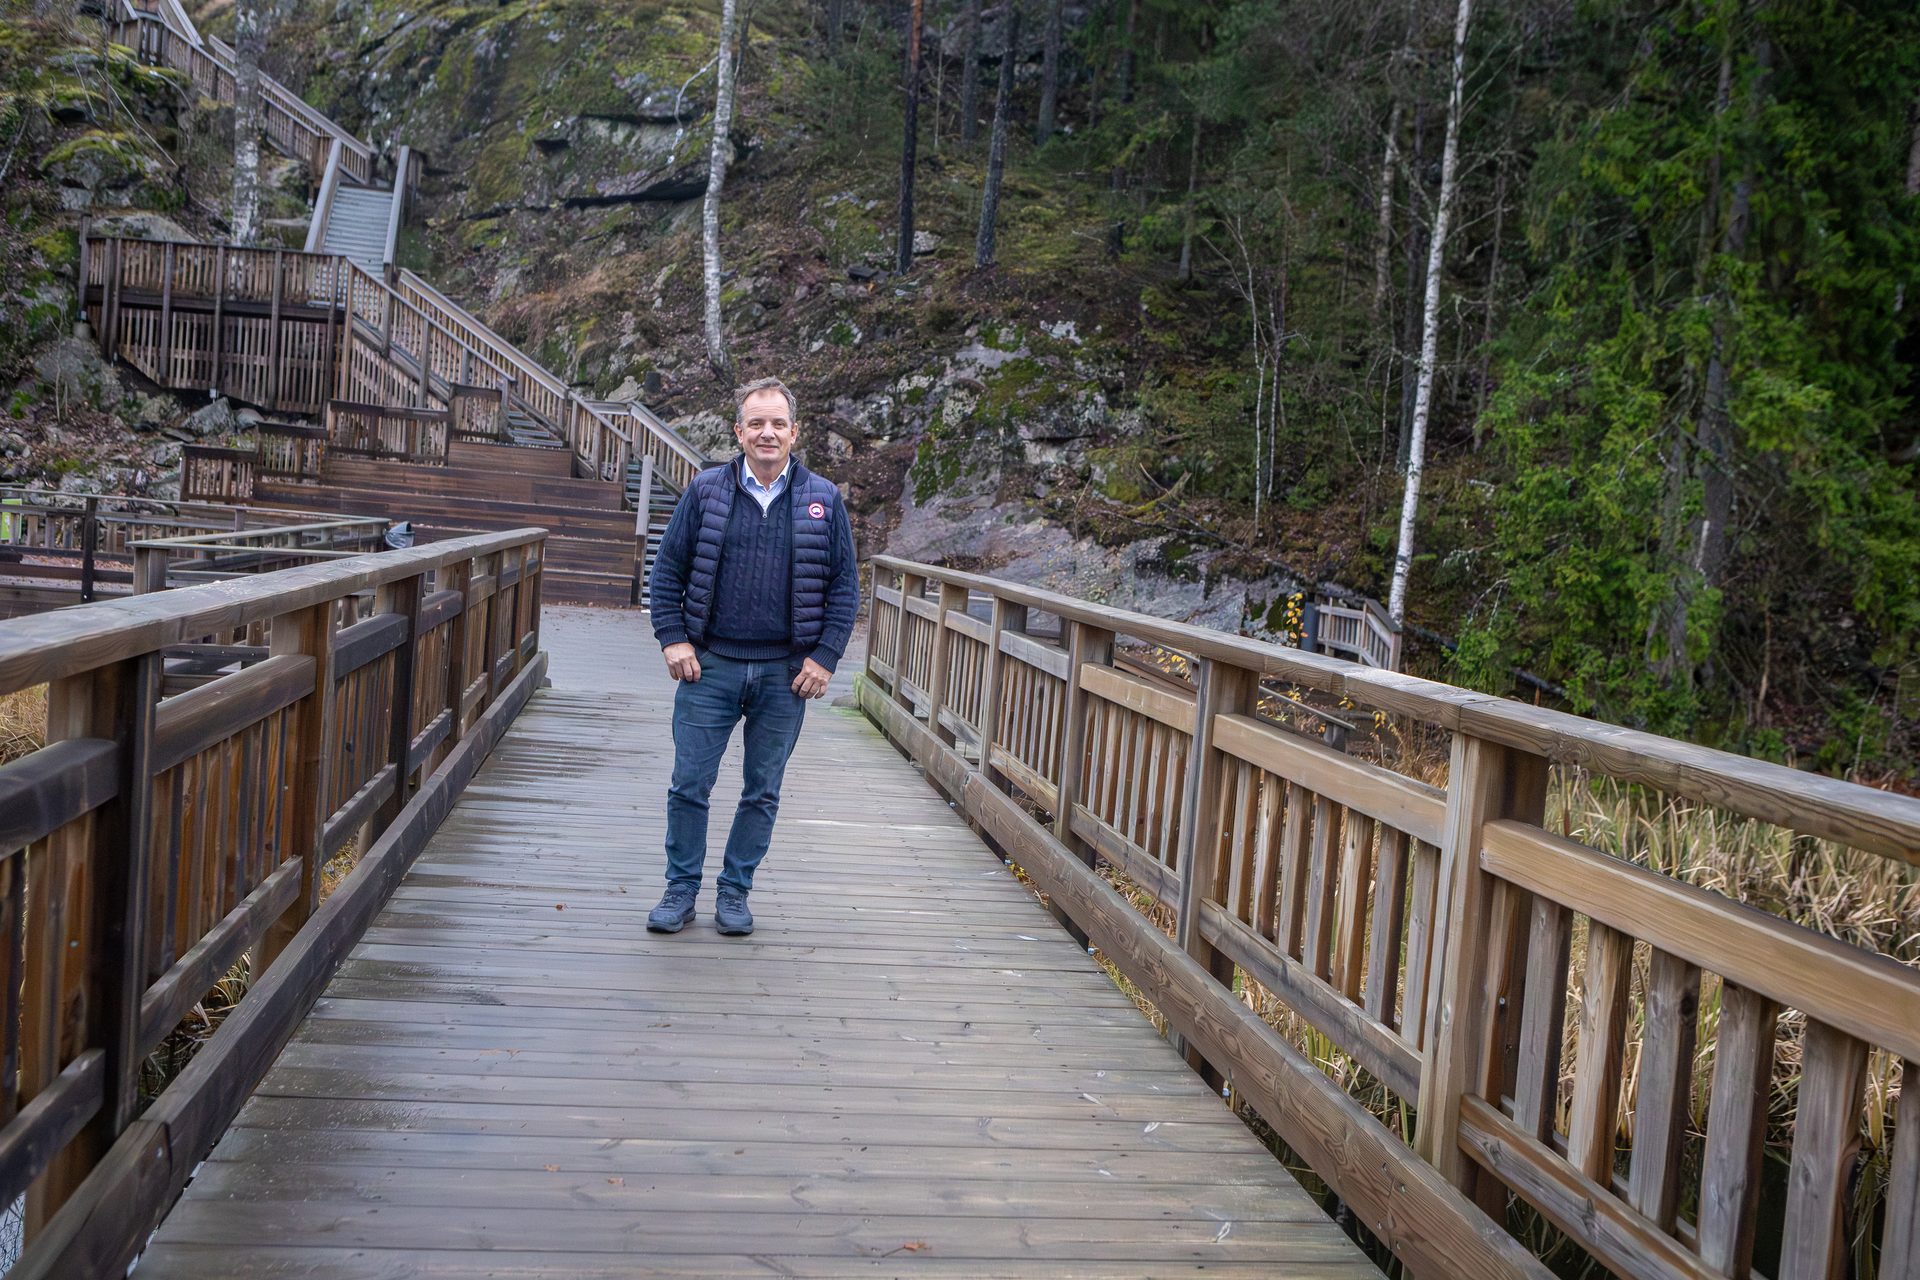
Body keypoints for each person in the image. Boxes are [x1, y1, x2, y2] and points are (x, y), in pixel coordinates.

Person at [644, 377, 859, 936]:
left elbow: (845, 589)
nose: (768, 433)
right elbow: (666, 572)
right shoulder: (706, 491)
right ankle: (680, 889)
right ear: (739, 432)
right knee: (689, 783)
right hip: (708, 665)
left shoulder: (823, 499)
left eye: (778, 423)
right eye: (756, 423)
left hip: (785, 675)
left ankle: (735, 892)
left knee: (762, 790)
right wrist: (673, 638)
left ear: (795, 431)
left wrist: (825, 657)